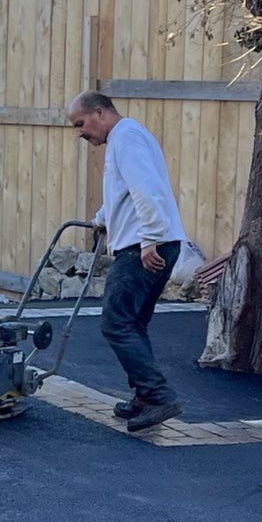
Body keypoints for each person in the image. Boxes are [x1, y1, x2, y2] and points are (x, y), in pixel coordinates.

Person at [66, 91, 188, 431]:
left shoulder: (126, 137)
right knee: (133, 323)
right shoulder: (126, 137)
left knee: (116, 322)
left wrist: (150, 238)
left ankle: (159, 396)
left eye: (80, 124)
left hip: (143, 247)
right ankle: (146, 397)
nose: (79, 132)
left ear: (99, 112)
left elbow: (148, 189)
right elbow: (126, 191)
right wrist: (103, 216)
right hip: (151, 242)